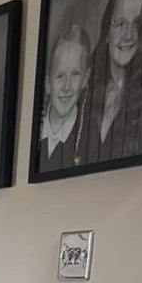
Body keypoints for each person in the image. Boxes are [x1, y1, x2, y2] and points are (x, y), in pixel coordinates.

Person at [83, 0, 142, 164]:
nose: (128, 36)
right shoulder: (82, 87)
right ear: (107, 30)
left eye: (137, 25)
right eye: (120, 23)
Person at [38, 23, 91, 173]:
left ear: (86, 78)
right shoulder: (32, 132)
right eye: (60, 76)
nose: (67, 86)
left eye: (75, 74)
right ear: (48, 83)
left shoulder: (90, 136)